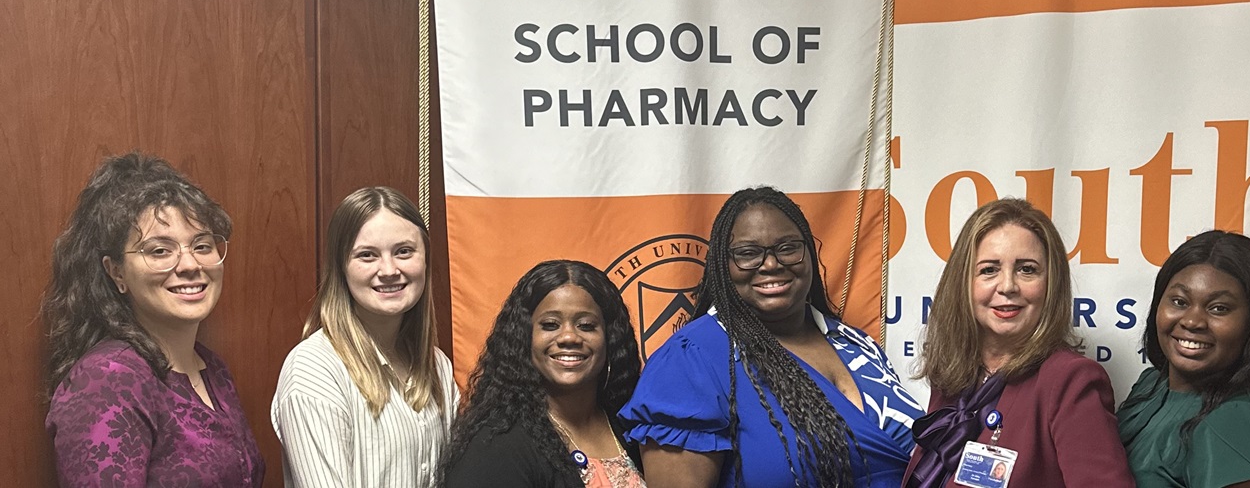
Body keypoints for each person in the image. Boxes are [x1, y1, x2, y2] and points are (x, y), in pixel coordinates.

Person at [620, 186, 924, 487]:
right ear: (721, 266)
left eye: (788, 247)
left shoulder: (858, 345)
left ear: (809, 253)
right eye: (748, 254)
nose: (771, 264)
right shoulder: (691, 361)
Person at [43, 152, 264, 486]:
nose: (190, 264)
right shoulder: (107, 380)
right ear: (116, 271)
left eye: (202, 246)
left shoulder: (212, 368)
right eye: (160, 250)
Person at [904, 198, 1133, 487]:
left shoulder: (1070, 380)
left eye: (1027, 269)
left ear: (1051, 284)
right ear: (963, 282)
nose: (1008, 285)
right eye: (989, 270)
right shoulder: (953, 373)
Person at [271, 186, 458, 487]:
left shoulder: (437, 366)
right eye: (367, 255)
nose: (389, 270)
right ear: (341, 268)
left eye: (404, 251)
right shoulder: (314, 369)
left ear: (425, 259)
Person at [1116, 230, 1250, 488]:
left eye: (1219, 308)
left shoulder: (1240, 422)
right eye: (1179, 301)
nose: (1192, 321)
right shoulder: (1151, 386)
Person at [438, 260, 644, 487]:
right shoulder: (494, 445)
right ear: (524, 338)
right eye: (550, 325)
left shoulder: (631, 427)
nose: (569, 337)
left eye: (586, 325)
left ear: (610, 339)